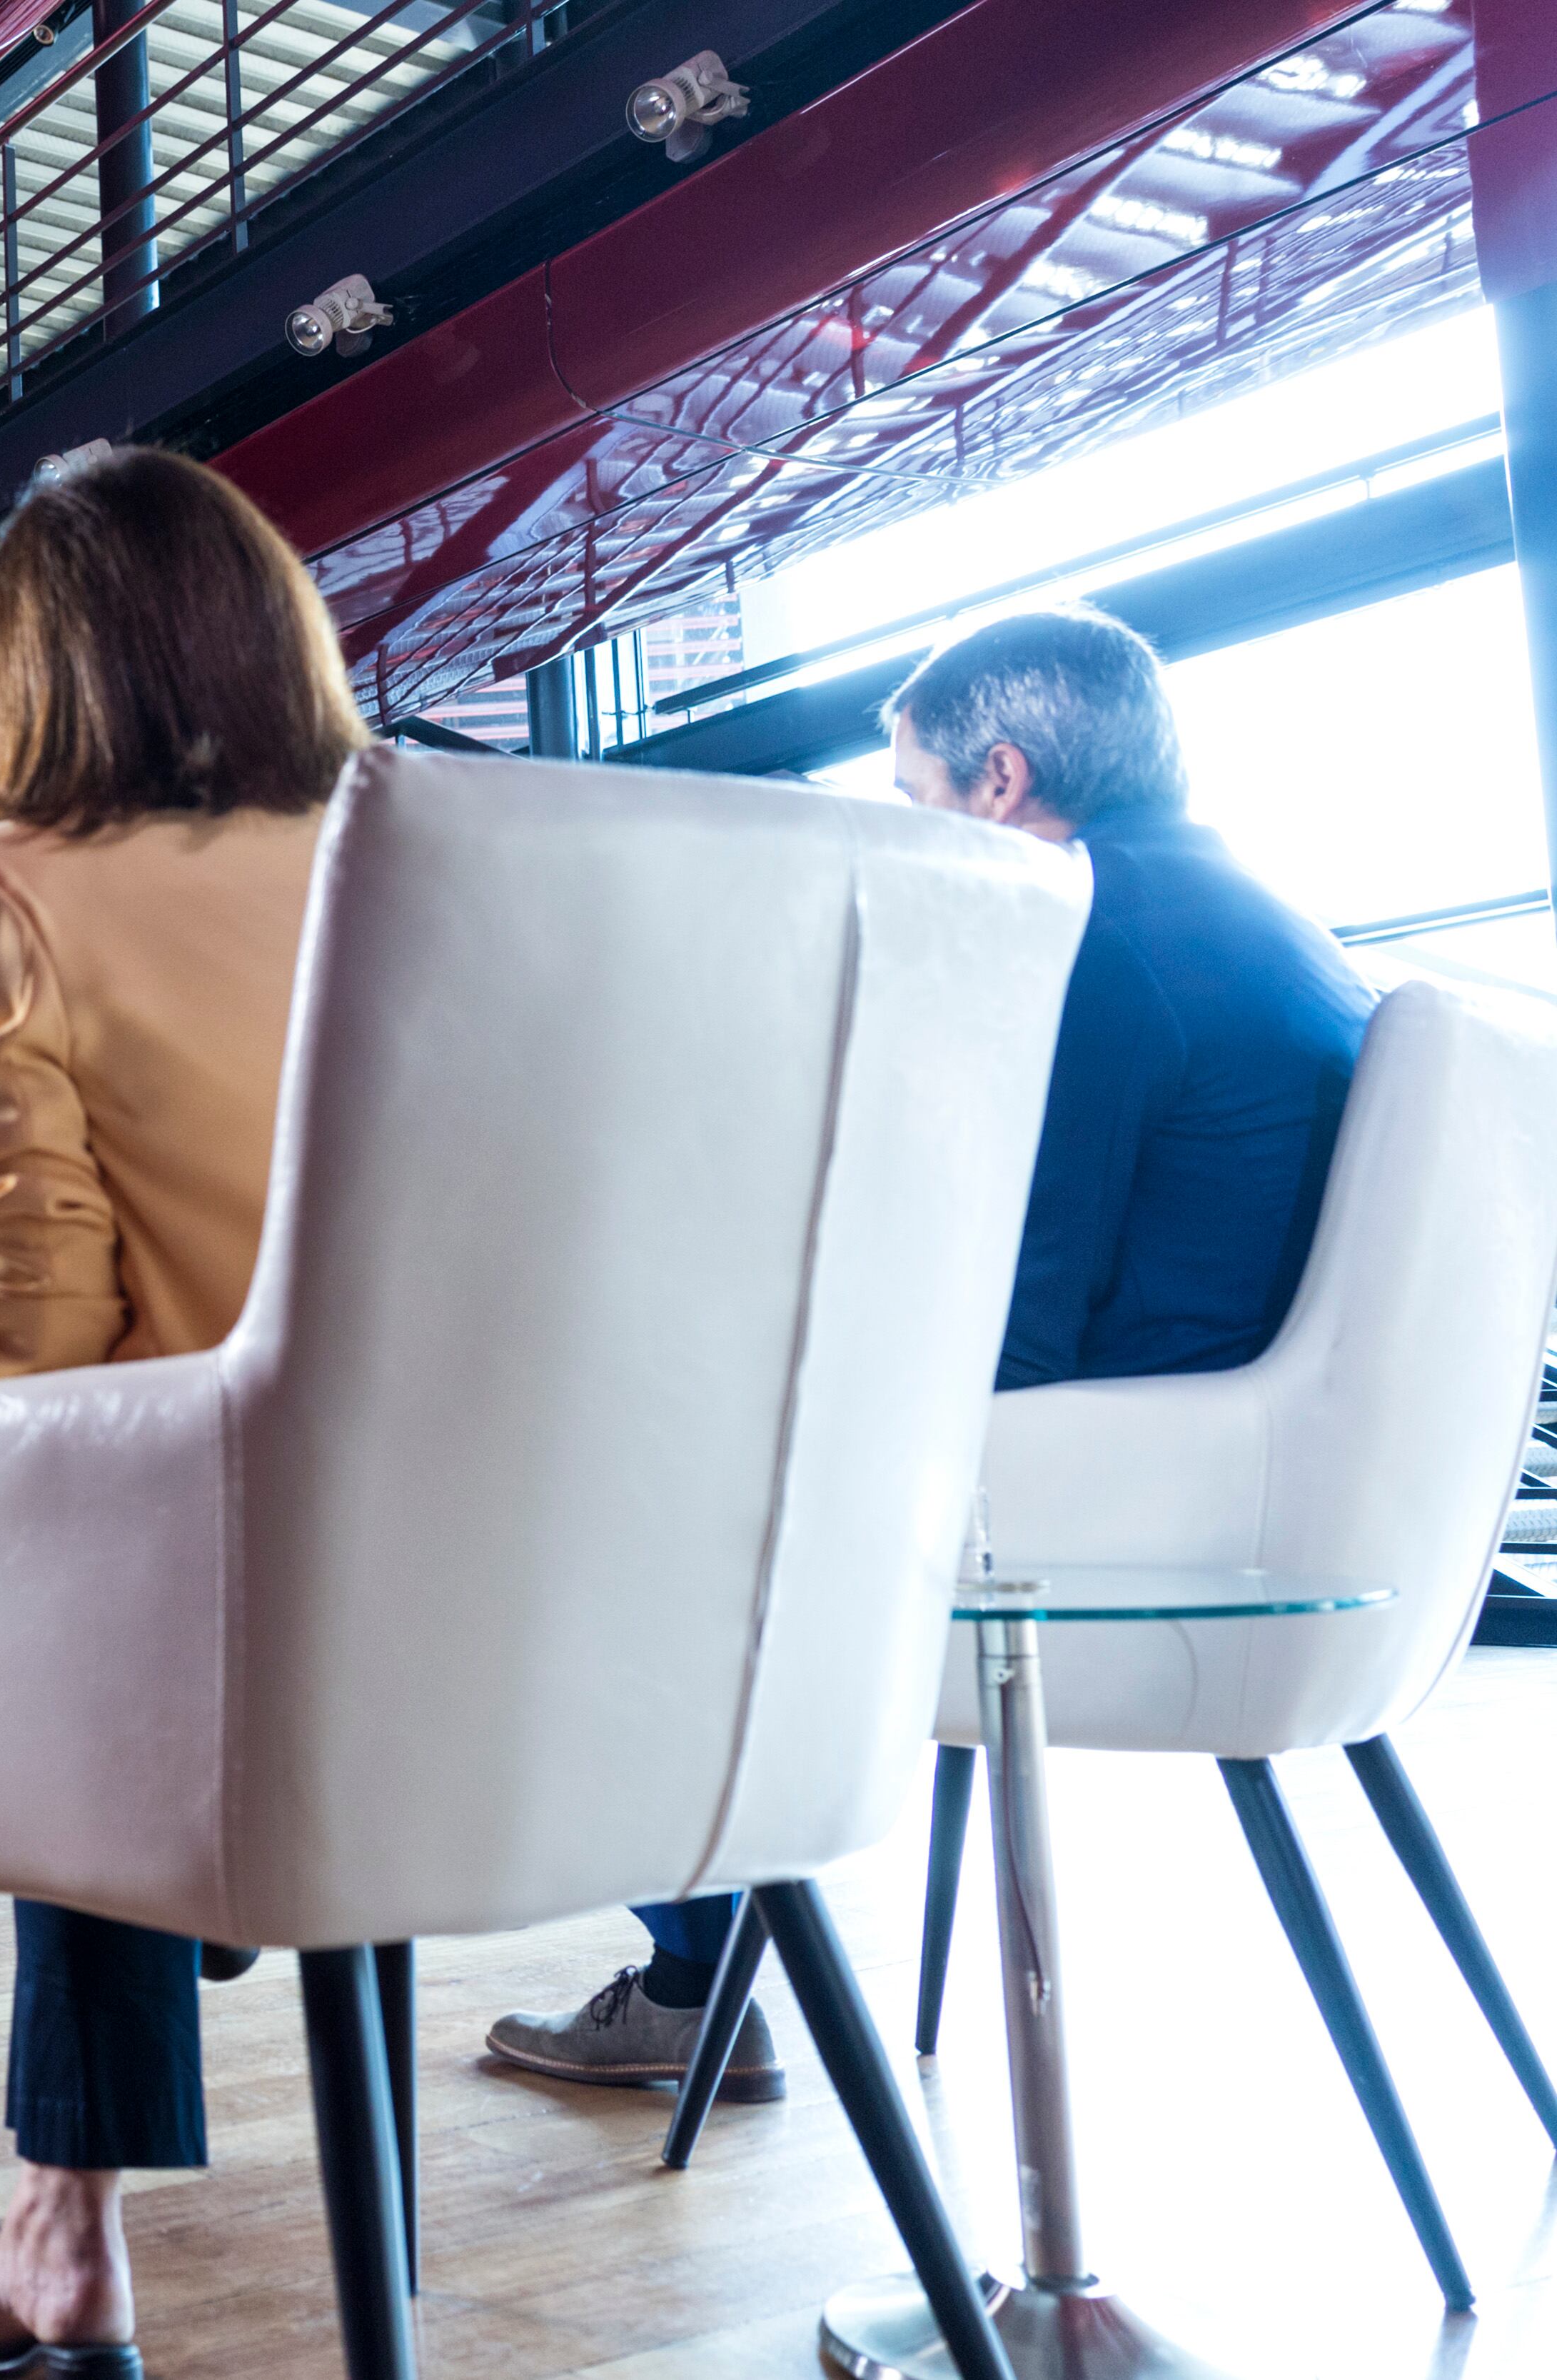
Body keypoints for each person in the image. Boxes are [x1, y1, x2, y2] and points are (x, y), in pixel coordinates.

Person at [485, 603, 1373, 2097]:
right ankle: (697, 1963)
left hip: (1103, 1501)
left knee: (602, 1474)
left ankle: (691, 1976)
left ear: (1003, 781)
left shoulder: (1097, 939)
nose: (913, 830)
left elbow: (1017, 1321)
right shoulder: (1243, 919)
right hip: (1225, 1482)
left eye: (915, 798)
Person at [0, 446, 366, 2376]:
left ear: (27, 670)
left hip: (213, 1624)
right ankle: (62, 2202)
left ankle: (69, 2229)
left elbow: (33, 1339)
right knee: (140, 1556)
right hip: (522, 1627)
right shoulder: (404, 848)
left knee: (74, 1566)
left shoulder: (0, 888)